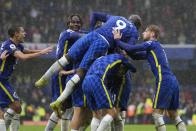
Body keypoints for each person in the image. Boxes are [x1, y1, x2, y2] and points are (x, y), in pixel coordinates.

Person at [35, 12, 142, 113]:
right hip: (102, 43)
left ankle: (44, 78)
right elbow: (129, 49)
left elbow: (94, 14)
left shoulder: (116, 17)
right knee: (81, 71)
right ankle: (59, 100)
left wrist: (91, 30)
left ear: (129, 18)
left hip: (92, 35)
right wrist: (118, 41)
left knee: (66, 58)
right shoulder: (133, 31)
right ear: (137, 26)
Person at [113, 25, 187, 131]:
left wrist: (118, 41)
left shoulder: (151, 44)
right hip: (173, 80)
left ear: (152, 34)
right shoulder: (154, 49)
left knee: (157, 115)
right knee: (173, 114)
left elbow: (131, 48)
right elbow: (134, 55)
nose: (143, 33)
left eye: (146, 31)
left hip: (164, 79)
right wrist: (126, 51)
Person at [0, 26, 53, 131]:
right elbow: (23, 57)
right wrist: (41, 53)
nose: (25, 34)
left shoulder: (17, 45)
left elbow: (27, 51)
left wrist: (42, 50)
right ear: (16, 34)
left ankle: (8, 122)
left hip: (4, 81)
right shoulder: (9, 45)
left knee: (17, 107)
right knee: (5, 111)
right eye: (22, 32)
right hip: (0, 80)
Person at [44, 14, 85, 131]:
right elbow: (59, 52)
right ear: (69, 24)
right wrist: (60, 68)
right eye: (74, 22)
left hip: (71, 74)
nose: (76, 24)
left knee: (69, 108)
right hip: (62, 73)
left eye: (78, 22)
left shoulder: (79, 34)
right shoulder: (66, 34)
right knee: (62, 107)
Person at [82, 53, 136, 131]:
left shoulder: (103, 59)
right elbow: (133, 68)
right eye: (123, 71)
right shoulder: (120, 59)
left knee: (96, 115)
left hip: (85, 82)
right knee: (112, 113)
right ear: (121, 66)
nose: (122, 74)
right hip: (97, 80)